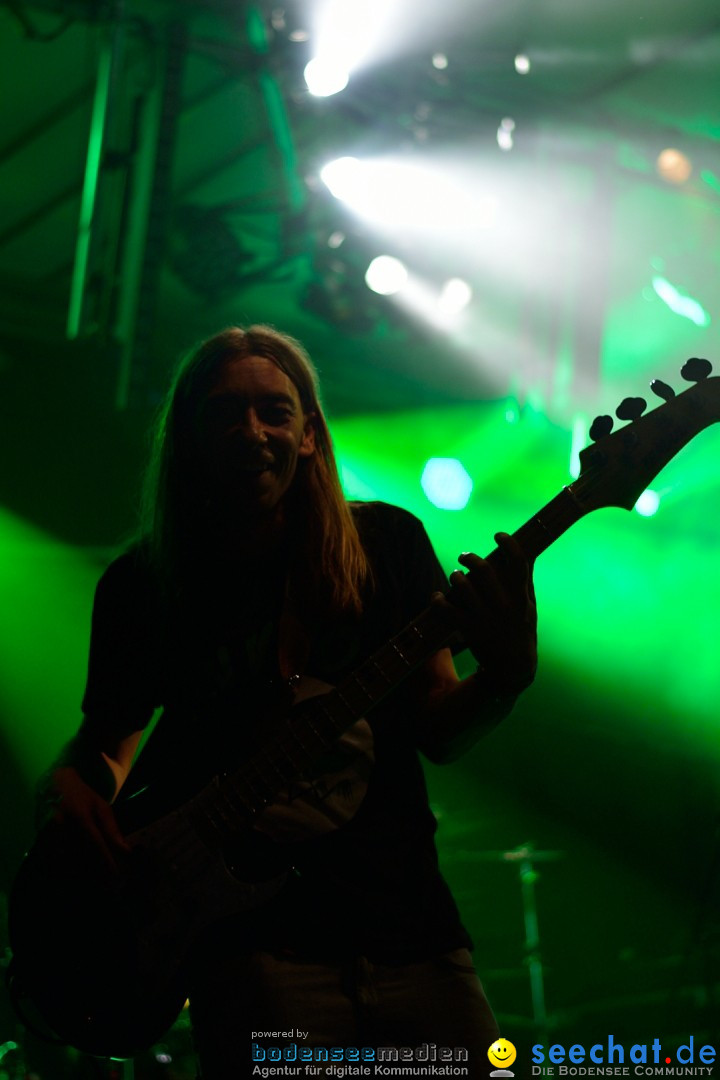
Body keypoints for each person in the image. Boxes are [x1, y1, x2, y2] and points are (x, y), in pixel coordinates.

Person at [39, 325, 537, 1078]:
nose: (253, 432)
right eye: (226, 412)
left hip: (414, 939)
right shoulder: (143, 586)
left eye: (275, 411)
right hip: (251, 962)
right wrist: (70, 787)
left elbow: (440, 724)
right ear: (190, 437)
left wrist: (504, 677)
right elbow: (108, 743)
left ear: (310, 435)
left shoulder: (388, 545)